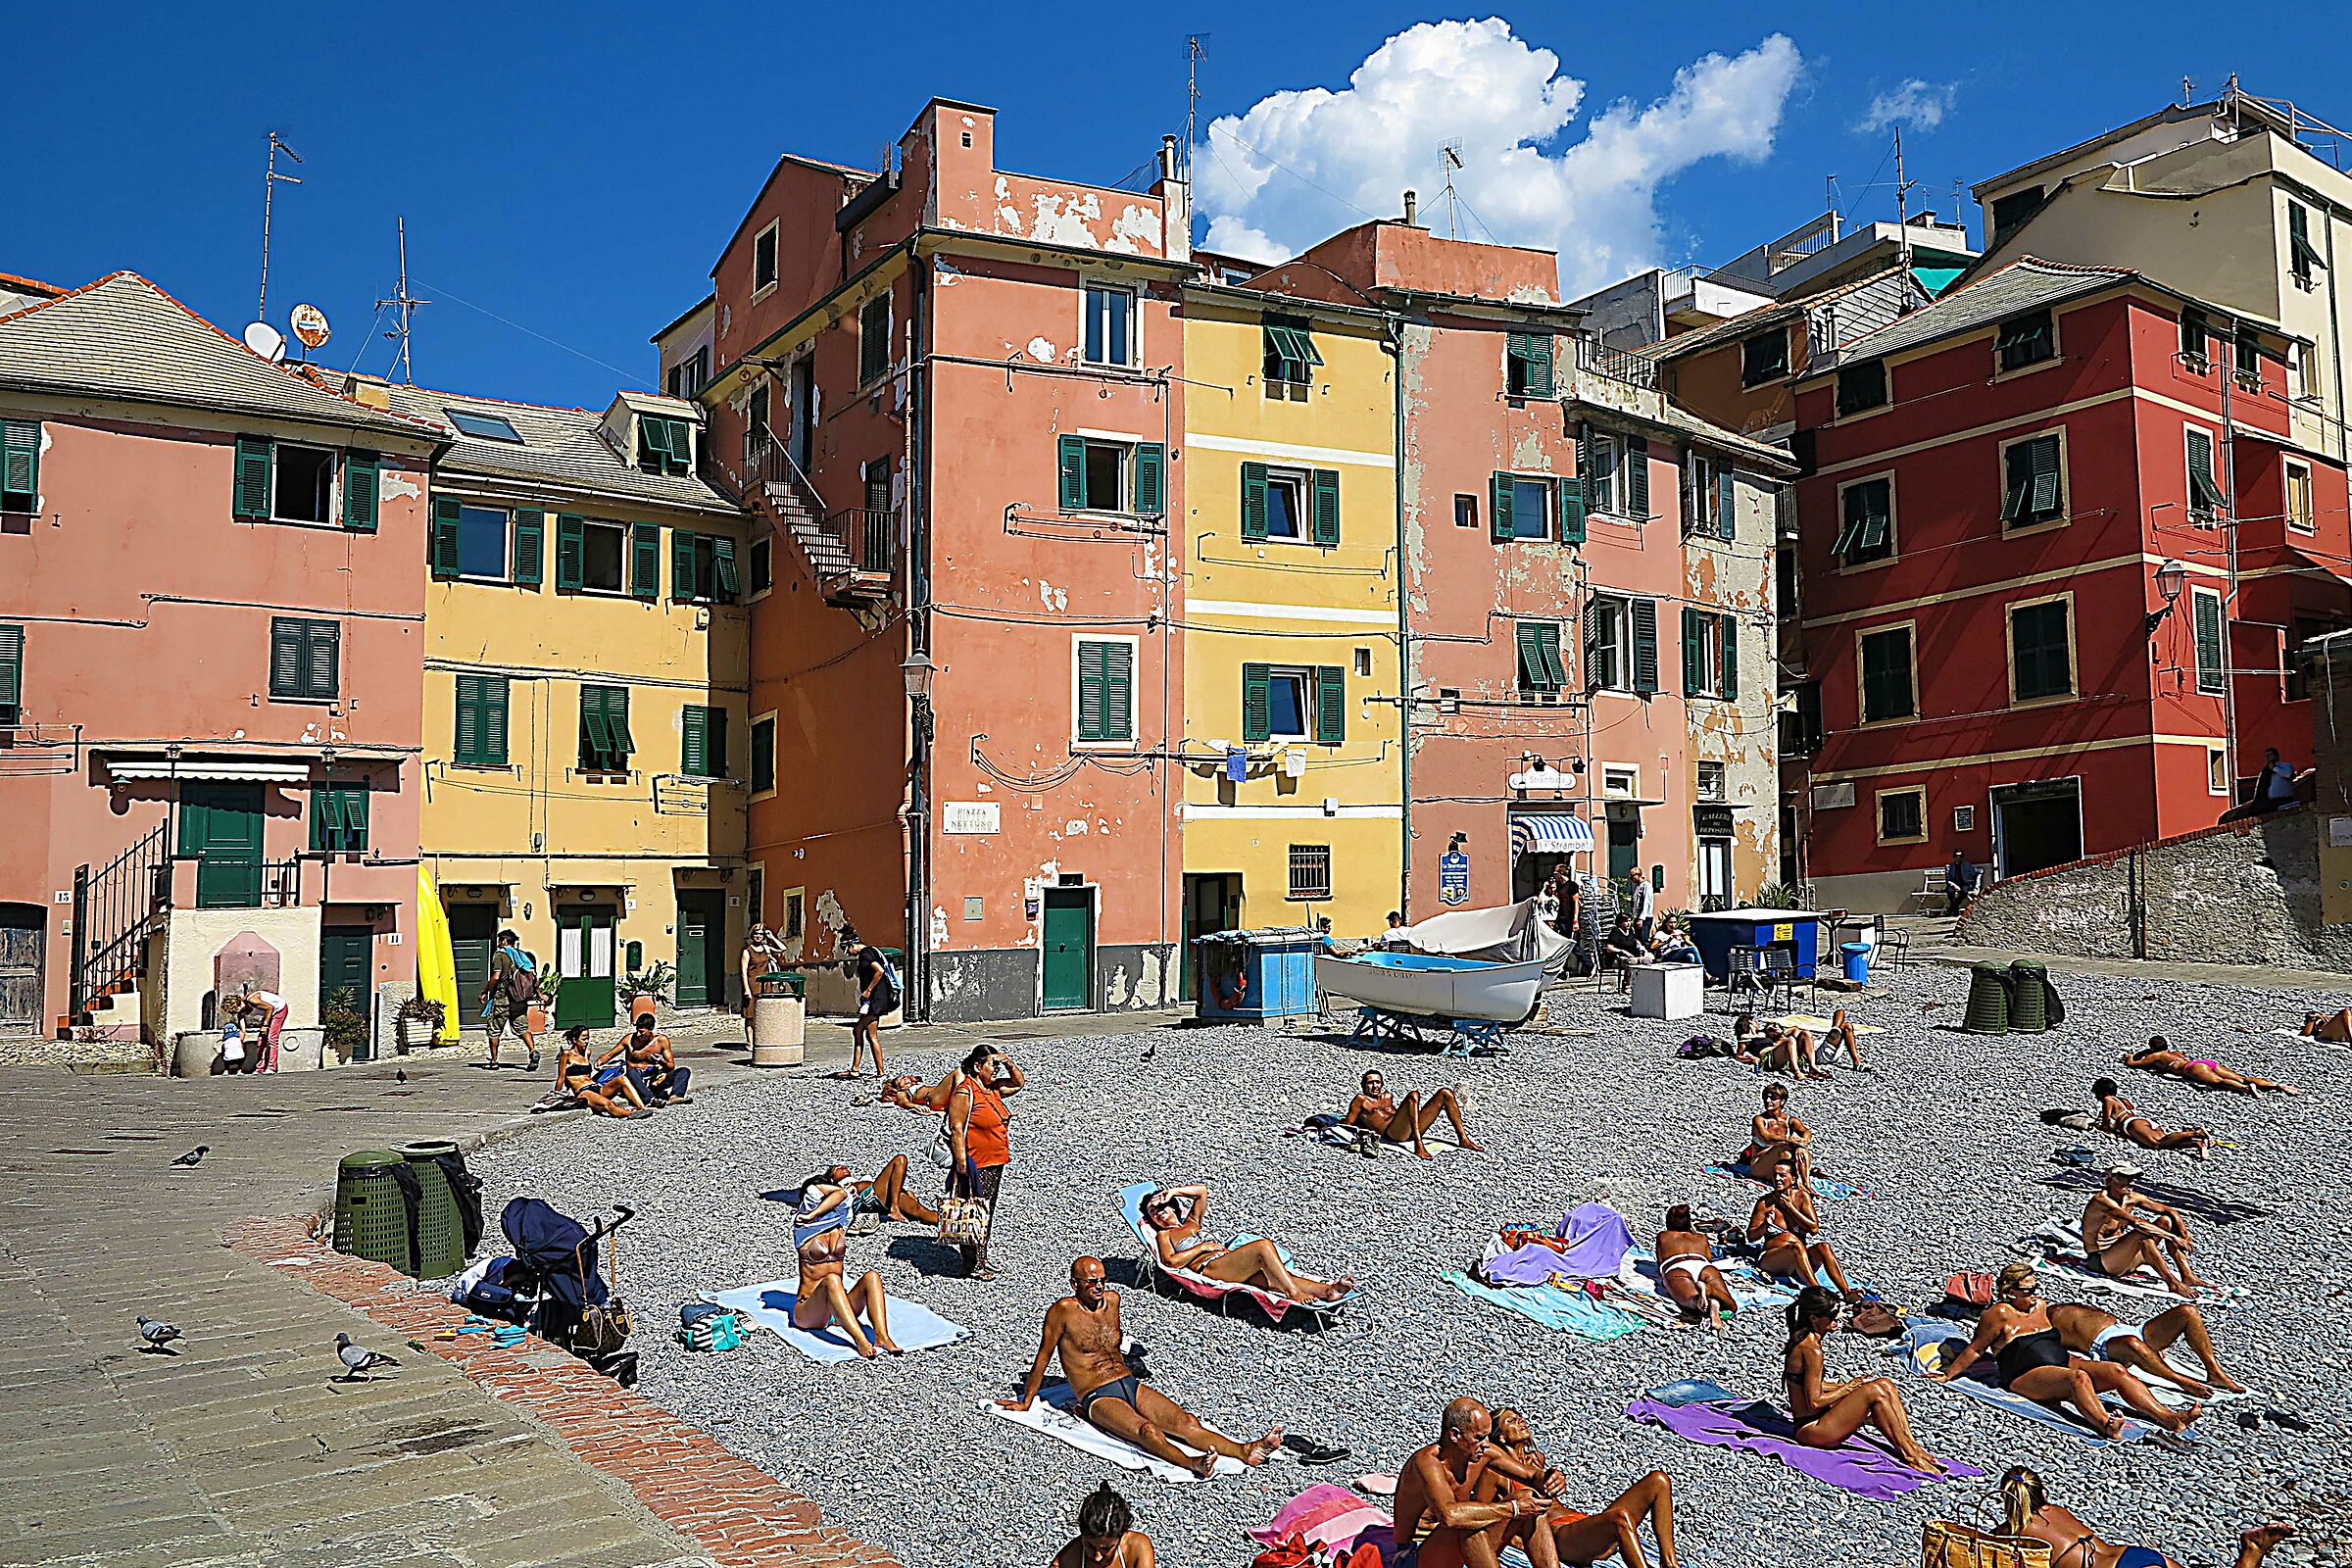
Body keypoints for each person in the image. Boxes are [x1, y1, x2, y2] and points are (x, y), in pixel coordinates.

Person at [1000, 1256, 1282, 1478]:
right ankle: (1192, 1463)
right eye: (1091, 1282)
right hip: (1097, 1396)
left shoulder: (1113, 1302)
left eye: (1103, 1280)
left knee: (1187, 1424)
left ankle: (1245, 1450)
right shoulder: (1063, 1311)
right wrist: (1026, 1402)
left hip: (1128, 1382)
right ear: (1075, 1284)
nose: (1100, 1287)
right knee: (1147, 1431)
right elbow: (1043, 1356)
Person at [1925, 1262, 2200, 1440]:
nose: (2034, 1293)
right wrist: (1949, 1376)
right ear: (2010, 1293)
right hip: (2025, 1374)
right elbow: (1975, 1349)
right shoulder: (1997, 1315)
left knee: (2116, 1371)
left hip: (2061, 1361)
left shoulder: (2041, 1307)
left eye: (2035, 1287)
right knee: (2076, 1379)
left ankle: (2169, 1418)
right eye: (2027, 1289)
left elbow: (2063, 1335)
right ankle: (2105, 1424)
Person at [1465, 1405, 1683, 1568]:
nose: (1520, 1420)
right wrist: (1515, 1540)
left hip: (1583, 1525)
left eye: (1519, 1416)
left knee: (1658, 1480)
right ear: (1500, 1437)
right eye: (1511, 1421)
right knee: (1620, 1518)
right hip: (1561, 1537)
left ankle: (1669, 1562)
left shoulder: (1536, 1459)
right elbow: (1482, 1518)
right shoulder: (1494, 1472)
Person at [1782, 1287, 1948, 1475]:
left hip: (1815, 1422)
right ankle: (1910, 1456)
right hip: (1811, 1430)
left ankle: (1913, 1447)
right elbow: (1814, 1402)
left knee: (1885, 1384)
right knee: (1875, 1391)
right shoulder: (1812, 1350)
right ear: (1814, 1318)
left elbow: (1806, 1385)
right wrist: (1849, 1388)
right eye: (1832, 1314)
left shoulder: (1807, 1342)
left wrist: (1849, 1388)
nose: (1838, 1318)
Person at [2000, 1466, 2293, 1568]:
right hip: (2133, 1555)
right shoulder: (2057, 1512)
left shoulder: (2008, 1534)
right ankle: (2251, 1552)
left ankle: (2252, 1551)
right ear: (2041, 1494)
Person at [1140, 1185, 1352, 1303]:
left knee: (1275, 1277)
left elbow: (1202, 1191)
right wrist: (1202, 1248)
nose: (1158, 1213)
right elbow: (1169, 1261)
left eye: (1161, 1207)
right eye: (1152, 1212)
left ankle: (1328, 1291)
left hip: (1227, 1261)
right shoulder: (1164, 1236)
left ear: (1173, 1208)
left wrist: (1173, 1192)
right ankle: (1293, 1293)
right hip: (1210, 1269)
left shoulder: (1191, 1223)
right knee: (1262, 1247)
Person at [791, 1170, 902, 1357]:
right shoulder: (804, 1226)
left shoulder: (841, 1221)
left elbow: (844, 1196)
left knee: (872, 1277)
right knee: (832, 1279)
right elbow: (829, 1192)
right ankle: (860, 1340)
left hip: (838, 1312)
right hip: (809, 1312)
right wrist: (813, 1213)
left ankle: (881, 1336)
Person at [2048, 1297, 2246, 1398]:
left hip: (2130, 1329)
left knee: (2188, 1311)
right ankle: (2181, 1381)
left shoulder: (2051, 1308)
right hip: (2106, 1346)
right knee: (2131, 1344)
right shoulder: (2043, 1320)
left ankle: (2214, 1371)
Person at [946, 1043, 1024, 1280]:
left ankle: (981, 1257)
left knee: (985, 1210)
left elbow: (1018, 1083)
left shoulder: (992, 1089)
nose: (996, 1070)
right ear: (978, 1066)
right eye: (993, 1065)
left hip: (995, 1159)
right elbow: (956, 1129)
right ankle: (972, 1264)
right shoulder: (965, 1092)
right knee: (973, 1210)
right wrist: (961, 1163)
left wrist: (1009, 1063)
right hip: (975, 1161)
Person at [2083, 1163, 2209, 1294]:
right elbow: (2137, 1223)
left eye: (2132, 1178)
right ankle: (2173, 1284)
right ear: (2110, 1179)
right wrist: (2173, 1237)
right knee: (2142, 1234)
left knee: (2166, 1221)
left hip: (2125, 1258)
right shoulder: (2101, 1201)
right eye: (2126, 1178)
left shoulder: (2132, 1198)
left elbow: (2169, 1210)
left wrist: (2184, 1233)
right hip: (2101, 1261)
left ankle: (2187, 1275)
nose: (2131, 1182)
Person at [1747, 1162, 1855, 1298]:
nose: (1778, 1179)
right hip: (1773, 1259)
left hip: (1800, 1257)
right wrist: (1765, 1226)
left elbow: (1814, 1229)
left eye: (1782, 1175)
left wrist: (1790, 1208)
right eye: (1775, 1175)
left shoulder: (1802, 1197)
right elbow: (1751, 1236)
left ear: (1793, 1179)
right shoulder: (1765, 1203)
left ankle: (1846, 1291)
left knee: (1824, 1247)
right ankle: (1817, 1291)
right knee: (1796, 1247)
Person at [1343, 1068, 1483, 1159]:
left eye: (1378, 1083)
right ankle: (1418, 1145)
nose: (1375, 1086)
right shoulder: (1361, 1100)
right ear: (1363, 1086)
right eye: (1371, 1083)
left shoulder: (1387, 1096)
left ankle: (1463, 1139)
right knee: (1413, 1096)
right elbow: (1348, 1124)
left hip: (1407, 1127)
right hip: (1392, 1133)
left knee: (1445, 1093)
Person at [794, 1156, 939, 1229]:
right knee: (899, 1160)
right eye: (837, 1169)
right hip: (873, 1196)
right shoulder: (838, 1188)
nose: (842, 1167)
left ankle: (952, 1224)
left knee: (920, 1212)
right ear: (831, 1179)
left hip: (881, 1195)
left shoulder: (853, 1182)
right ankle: (895, 1208)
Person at [1655, 1204, 1737, 1331]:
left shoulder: (1663, 1236)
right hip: (1703, 1265)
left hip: (1677, 1265)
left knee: (1691, 1300)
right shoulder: (1702, 1238)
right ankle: (1711, 1292)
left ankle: (1703, 1302)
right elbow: (1709, 1258)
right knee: (1731, 1305)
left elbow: (1660, 1262)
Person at [2125, 1037, 2298, 1096]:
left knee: (2219, 1082)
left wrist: (2130, 1056)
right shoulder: (2176, 1052)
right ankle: (2276, 1086)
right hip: (2202, 1062)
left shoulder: (2157, 1056)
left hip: (2190, 1069)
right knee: (2240, 1075)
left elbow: (2134, 1064)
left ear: (2153, 1048)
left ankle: (2245, 1089)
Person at [837, 925, 897, 1080]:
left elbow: (879, 971)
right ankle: (855, 1069)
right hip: (876, 1000)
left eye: (847, 950)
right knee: (858, 1030)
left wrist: (869, 990)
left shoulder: (865, 954)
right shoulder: (872, 950)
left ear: (851, 945)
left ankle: (881, 1073)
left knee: (871, 1036)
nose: (848, 954)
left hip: (876, 1000)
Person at [2093, 1079, 2211, 1156]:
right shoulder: (2123, 1100)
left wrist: (2099, 1127)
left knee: (2157, 1143)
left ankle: (2195, 1133)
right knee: (2165, 1142)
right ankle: (2196, 1143)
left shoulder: (2107, 1100)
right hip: (2140, 1121)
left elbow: (2106, 1123)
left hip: (2130, 1124)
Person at [553, 1026, 650, 1117]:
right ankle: (630, 1114)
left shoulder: (587, 1053)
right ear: (575, 1040)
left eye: (588, 1038)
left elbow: (588, 1075)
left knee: (622, 1079)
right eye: (583, 1039)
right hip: (583, 1092)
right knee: (609, 1104)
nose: (586, 1042)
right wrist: (555, 1095)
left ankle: (642, 1107)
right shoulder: (566, 1054)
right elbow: (561, 1077)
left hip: (596, 1087)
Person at [1050, 1484, 1153, 1568]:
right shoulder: (1067, 1560)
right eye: (1089, 1546)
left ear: (1121, 1537)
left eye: (1106, 1548)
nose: (1097, 1557)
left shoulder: (1138, 1548)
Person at [600, 1012, 692, 1104]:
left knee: (684, 1071)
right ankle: (650, 1099)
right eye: (637, 1030)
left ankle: (675, 1096)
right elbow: (610, 1054)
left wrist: (661, 1061)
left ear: (651, 1029)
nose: (639, 1034)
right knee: (632, 1071)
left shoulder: (661, 1041)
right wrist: (601, 1061)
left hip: (654, 1080)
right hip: (635, 1080)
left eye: (642, 1032)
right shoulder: (629, 1039)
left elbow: (671, 1066)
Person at [483, 929, 541, 1072]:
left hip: (503, 999)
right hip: (519, 999)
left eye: (499, 941)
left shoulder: (500, 955)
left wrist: (485, 990)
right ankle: (533, 1051)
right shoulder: (522, 956)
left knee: (494, 1030)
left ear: (503, 941)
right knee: (522, 1028)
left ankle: (494, 1061)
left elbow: (496, 977)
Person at [1742, 1083, 1814, 1187]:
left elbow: (1806, 1132)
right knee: (1784, 1148)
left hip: (1781, 1166)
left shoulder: (1790, 1120)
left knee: (1802, 1150)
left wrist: (1802, 1143)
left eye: (1773, 1098)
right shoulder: (1759, 1120)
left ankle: (1806, 1184)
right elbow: (1766, 1137)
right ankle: (1798, 1183)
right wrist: (1789, 1140)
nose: (1767, 1101)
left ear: (1782, 1101)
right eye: (1765, 1097)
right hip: (1760, 1165)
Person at [740, 923, 789, 1050]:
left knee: (764, 1013)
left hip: (765, 984)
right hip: (752, 983)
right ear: (752, 935)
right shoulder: (747, 951)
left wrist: (772, 937)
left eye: (761, 934)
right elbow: (743, 971)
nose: (758, 936)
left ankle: (761, 1038)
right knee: (750, 1015)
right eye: (756, 934)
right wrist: (746, 989)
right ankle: (749, 1042)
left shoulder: (766, 948)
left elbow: (783, 948)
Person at [233, 987, 289, 1073]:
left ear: (239, 1002)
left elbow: (270, 1008)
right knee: (261, 1040)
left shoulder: (252, 1000)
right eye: (236, 1011)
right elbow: (242, 1030)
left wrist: (265, 1025)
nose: (239, 1010)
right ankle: (260, 1068)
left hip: (279, 1009)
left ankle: (271, 1067)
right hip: (268, 1014)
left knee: (272, 1038)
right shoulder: (240, 1013)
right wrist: (239, 1043)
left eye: (238, 1007)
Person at [2257, 746, 2298, 811]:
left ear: (2276, 755)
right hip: (2271, 801)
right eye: (2266, 755)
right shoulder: (2266, 771)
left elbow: (2288, 774)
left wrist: (2275, 769)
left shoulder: (2285, 766)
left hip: (2285, 799)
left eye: (2270, 755)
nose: (2268, 757)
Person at [1943, 851, 1981, 916]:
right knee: (1950, 891)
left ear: (1962, 857)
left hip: (1964, 884)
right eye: (1956, 856)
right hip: (1953, 884)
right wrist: (1954, 885)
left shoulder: (1967, 865)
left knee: (1964, 891)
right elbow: (1948, 879)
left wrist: (1974, 885)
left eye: (1960, 856)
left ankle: (1952, 908)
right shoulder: (1949, 866)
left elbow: (1973, 875)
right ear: (1954, 857)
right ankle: (1955, 910)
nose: (1958, 858)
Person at [1625, 871, 1655, 943]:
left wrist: (1641, 919)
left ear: (1639, 875)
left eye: (1633, 876)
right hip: (1637, 916)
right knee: (1638, 939)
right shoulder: (1637, 886)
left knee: (1643, 939)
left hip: (1644, 918)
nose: (1632, 879)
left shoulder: (1646, 885)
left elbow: (1647, 902)